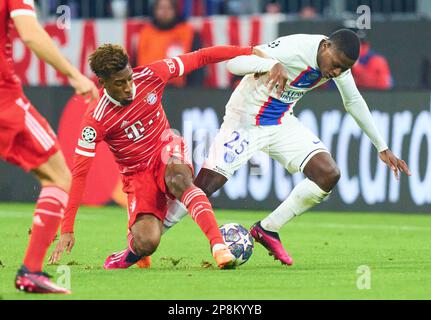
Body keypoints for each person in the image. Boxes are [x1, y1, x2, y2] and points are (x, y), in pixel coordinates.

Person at [161, 29, 411, 265]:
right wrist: (270, 64)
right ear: (325, 46)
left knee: (328, 174)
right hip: (245, 120)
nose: (336, 71)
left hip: (280, 122)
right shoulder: (293, 50)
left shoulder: (337, 63)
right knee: (205, 186)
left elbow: (353, 100)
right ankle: (146, 240)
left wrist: (382, 146)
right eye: (335, 64)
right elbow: (234, 64)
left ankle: (267, 229)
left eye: (343, 68)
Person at [49, 44, 257, 270]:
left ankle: (219, 246)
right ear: (103, 82)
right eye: (120, 83)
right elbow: (80, 174)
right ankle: (131, 252)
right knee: (147, 241)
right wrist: (67, 228)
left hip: (166, 147)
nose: (129, 88)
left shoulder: (151, 75)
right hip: (137, 175)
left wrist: (251, 51)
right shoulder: (96, 120)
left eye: (129, 78)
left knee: (180, 179)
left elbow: (202, 56)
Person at [0, 0, 98, 293]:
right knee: (58, 177)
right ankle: (31, 271)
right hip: (4, 100)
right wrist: (74, 74)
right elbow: (30, 34)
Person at [137, 0, 203, 87]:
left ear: (175, 10)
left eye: (169, 8)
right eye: (161, 8)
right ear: (154, 10)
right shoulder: (145, 33)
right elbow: (137, 63)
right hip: (149, 88)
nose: (165, 12)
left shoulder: (188, 32)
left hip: (180, 91)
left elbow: (198, 65)